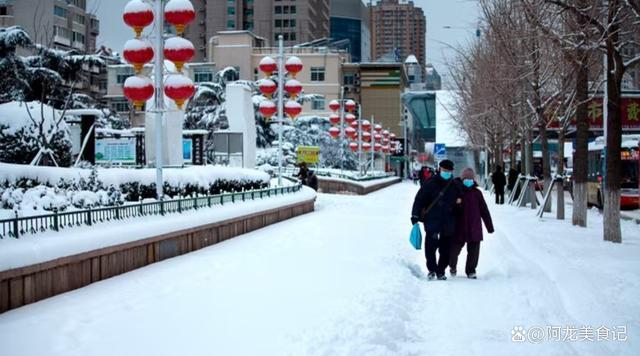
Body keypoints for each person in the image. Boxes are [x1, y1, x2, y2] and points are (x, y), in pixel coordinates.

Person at [411, 159, 462, 281]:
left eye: (449, 171)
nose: (446, 172)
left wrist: (459, 205)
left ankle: (441, 271)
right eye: (444, 170)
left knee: (446, 248)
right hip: (432, 220)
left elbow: (460, 205)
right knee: (431, 246)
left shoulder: (455, 186)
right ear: (439, 169)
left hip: (448, 221)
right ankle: (432, 269)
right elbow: (419, 199)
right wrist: (415, 215)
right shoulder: (430, 183)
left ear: (452, 171)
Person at [449, 168, 494, 279]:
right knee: (454, 250)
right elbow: (450, 208)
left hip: (474, 226)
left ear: (473, 180)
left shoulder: (477, 193)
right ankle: (452, 266)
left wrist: (489, 227)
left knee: (474, 252)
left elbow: (484, 210)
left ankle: (471, 271)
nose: (468, 181)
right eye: (466, 179)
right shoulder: (456, 191)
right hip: (460, 226)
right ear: (462, 179)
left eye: (470, 179)